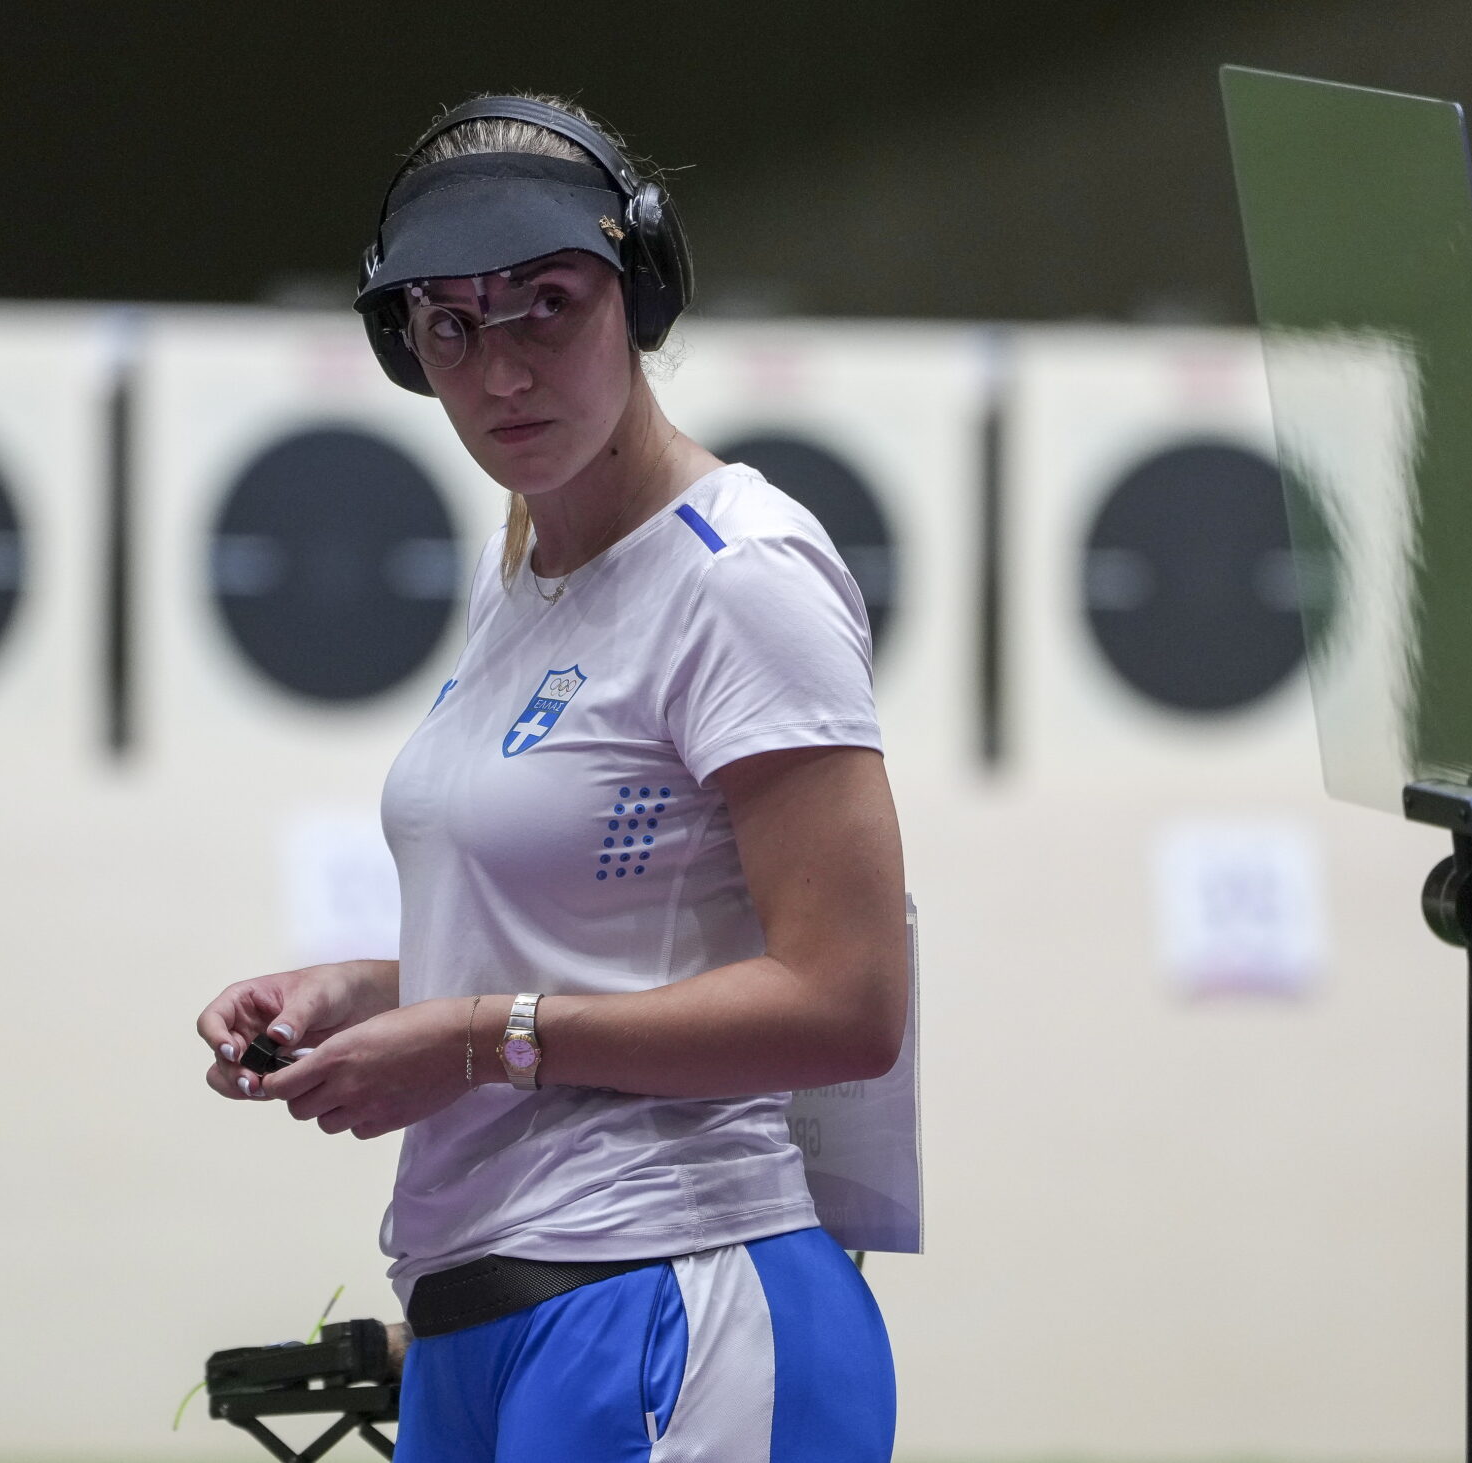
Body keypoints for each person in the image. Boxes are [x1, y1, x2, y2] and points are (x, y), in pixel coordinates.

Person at [197, 93, 908, 1462]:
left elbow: (848, 1003)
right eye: (451, 325)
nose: (502, 370)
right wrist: (380, 994)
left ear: (640, 296)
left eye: (547, 306)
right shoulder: (523, 570)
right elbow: (616, 947)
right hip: (485, 1308)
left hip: (674, 1288)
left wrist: (472, 1038)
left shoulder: (740, 572)